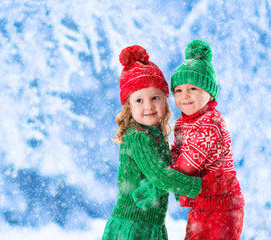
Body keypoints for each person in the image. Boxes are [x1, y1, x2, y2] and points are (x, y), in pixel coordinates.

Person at [134, 40, 245, 240]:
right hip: (200, 200)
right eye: (178, 90)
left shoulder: (211, 122)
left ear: (209, 93)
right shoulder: (181, 124)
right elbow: (175, 154)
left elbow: (188, 164)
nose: (184, 95)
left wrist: (158, 183)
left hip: (223, 205)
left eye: (192, 88)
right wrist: (161, 167)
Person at [102, 45, 203, 240]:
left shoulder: (155, 136)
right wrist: (197, 188)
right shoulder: (139, 138)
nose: (148, 106)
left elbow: (167, 175)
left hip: (151, 225)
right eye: (139, 100)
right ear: (129, 107)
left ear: (165, 101)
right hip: (133, 227)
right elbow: (160, 176)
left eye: (155, 98)